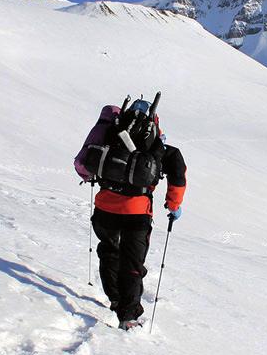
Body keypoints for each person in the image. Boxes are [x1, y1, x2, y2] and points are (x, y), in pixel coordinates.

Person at [74, 96, 187, 330]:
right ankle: (129, 316)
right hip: (136, 212)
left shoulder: (110, 134)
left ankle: (115, 299)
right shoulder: (157, 146)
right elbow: (177, 170)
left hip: (105, 206)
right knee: (132, 263)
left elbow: (88, 161)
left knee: (109, 251)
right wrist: (173, 205)